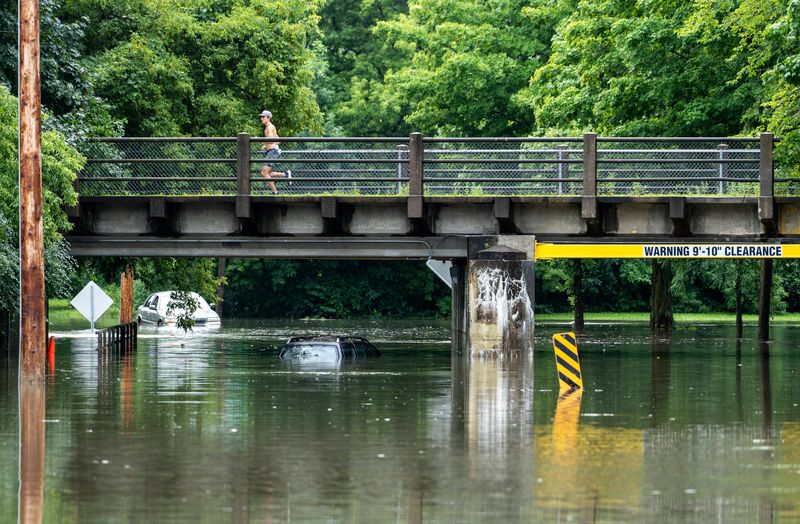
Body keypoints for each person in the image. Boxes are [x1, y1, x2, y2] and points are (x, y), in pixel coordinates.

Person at [259, 110, 291, 194]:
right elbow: (278, 140)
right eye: (261, 117)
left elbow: (270, 140)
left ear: (268, 118)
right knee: (265, 173)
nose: (261, 118)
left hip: (273, 152)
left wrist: (264, 144)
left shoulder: (269, 127)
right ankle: (285, 175)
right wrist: (267, 146)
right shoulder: (270, 127)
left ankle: (275, 192)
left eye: (263, 117)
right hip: (272, 151)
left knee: (264, 173)